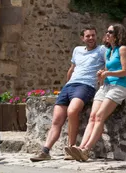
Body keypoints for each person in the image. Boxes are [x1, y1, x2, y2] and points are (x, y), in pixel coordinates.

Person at [30, 26, 106, 162]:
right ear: (82, 38)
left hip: (86, 85)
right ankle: (45, 151)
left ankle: (71, 148)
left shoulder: (101, 50)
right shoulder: (77, 50)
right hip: (69, 86)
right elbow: (72, 69)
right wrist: (67, 85)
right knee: (56, 120)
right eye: (88, 36)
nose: (91, 38)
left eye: (93, 35)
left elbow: (110, 66)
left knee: (72, 111)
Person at [65, 23, 126, 162]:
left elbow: (125, 72)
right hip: (105, 87)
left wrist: (107, 73)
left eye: (110, 32)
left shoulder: (122, 49)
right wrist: (102, 74)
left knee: (100, 116)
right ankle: (79, 148)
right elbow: (107, 71)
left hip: (118, 87)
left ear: (117, 34)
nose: (107, 34)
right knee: (92, 116)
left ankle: (86, 150)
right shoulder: (108, 51)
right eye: (107, 31)